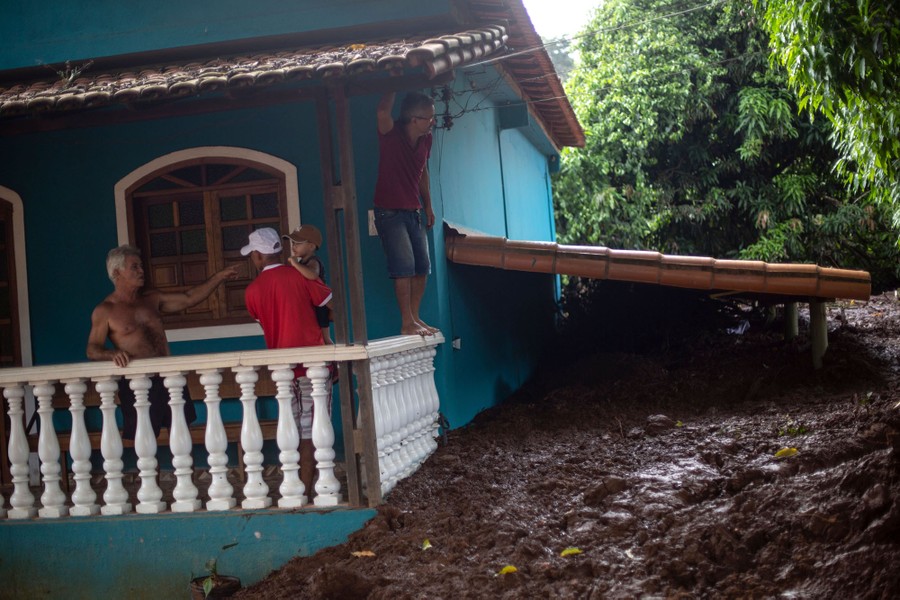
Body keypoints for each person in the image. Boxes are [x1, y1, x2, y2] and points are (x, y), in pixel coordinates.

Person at [86, 244, 238, 439]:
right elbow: (92, 349)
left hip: (169, 376)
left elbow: (189, 299)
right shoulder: (105, 310)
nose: (142, 271)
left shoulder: (152, 299)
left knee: (182, 432)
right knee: (145, 439)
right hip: (138, 383)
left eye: (141, 266)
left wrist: (219, 277)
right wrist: (111, 353)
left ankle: (187, 470)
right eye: (135, 267)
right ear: (117, 272)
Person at [242, 227, 333, 497]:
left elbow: (267, 323)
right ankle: (310, 486)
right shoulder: (301, 275)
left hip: (283, 371)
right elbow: (329, 302)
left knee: (290, 429)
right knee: (313, 430)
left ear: (258, 255)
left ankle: (295, 489)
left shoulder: (252, 292)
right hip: (314, 365)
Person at [373, 91, 440, 337]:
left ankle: (415, 317)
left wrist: (429, 205)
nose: (432, 122)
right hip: (389, 211)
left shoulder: (426, 140)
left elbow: (422, 171)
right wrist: (392, 83)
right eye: (428, 118)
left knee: (422, 266)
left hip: (414, 210)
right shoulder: (391, 134)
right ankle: (406, 322)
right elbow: (382, 112)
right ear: (413, 118)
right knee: (404, 266)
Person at [282, 224, 334, 345]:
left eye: (298, 243)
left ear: (311, 246)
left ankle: (336, 361)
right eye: (292, 243)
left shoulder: (313, 261)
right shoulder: (303, 262)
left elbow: (312, 275)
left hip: (320, 305)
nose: (293, 246)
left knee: (325, 338)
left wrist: (295, 265)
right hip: (310, 303)